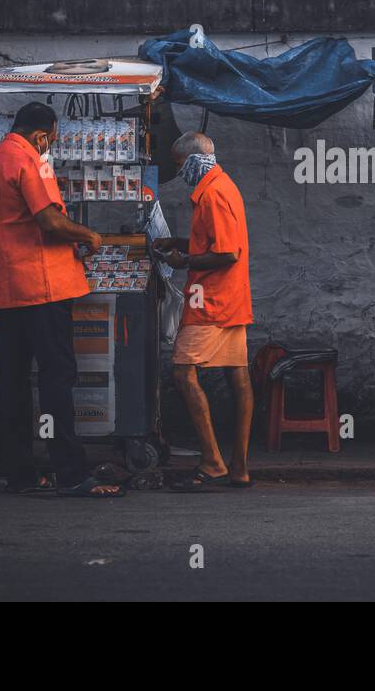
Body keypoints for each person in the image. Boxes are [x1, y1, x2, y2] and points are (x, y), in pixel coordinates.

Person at [0, 102, 122, 498]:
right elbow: (49, 220)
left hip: (7, 291)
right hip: (42, 287)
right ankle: (70, 472)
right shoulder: (28, 160)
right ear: (42, 135)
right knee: (57, 379)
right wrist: (88, 236)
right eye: (50, 140)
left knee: (12, 382)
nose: (48, 146)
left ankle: (18, 472)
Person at [153, 132, 254, 491]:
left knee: (183, 372)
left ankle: (213, 461)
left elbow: (227, 254)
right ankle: (239, 468)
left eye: (181, 167)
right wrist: (178, 242)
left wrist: (185, 259)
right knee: (237, 377)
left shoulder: (212, 194)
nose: (181, 175)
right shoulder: (222, 186)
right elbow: (217, 243)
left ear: (195, 162)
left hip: (211, 301)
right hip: (232, 299)